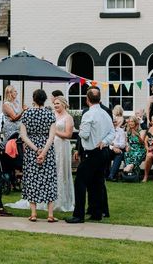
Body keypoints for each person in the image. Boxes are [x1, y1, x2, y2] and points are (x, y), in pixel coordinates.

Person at [66, 88, 115, 224]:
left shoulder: (88, 115)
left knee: (80, 182)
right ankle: (96, 213)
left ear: (87, 100)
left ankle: (79, 215)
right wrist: (104, 141)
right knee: (97, 183)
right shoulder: (105, 114)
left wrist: (81, 129)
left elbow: (84, 134)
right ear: (99, 99)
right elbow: (112, 132)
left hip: (91, 153)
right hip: (103, 152)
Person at [20, 89, 58, 222]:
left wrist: (36, 150)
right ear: (45, 99)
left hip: (32, 149)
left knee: (32, 179)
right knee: (49, 179)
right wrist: (44, 151)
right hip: (47, 149)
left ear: (34, 99)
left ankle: (34, 213)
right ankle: (50, 214)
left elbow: (23, 136)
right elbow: (52, 136)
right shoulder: (50, 114)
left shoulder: (27, 114)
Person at [52, 96, 74, 212]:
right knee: (52, 170)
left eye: (57, 104)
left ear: (64, 104)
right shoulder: (52, 114)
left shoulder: (68, 117)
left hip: (62, 146)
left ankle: (62, 200)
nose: (55, 106)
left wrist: (54, 131)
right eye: (54, 104)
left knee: (62, 170)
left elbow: (68, 135)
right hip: (52, 145)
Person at [108, 116, 127, 181]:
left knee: (120, 154)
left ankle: (111, 175)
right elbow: (105, 143)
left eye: (115, 122)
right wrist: (113, 147)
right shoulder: (106, 131)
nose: (114, 123)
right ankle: (105, 175)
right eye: (113, 122)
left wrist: (114, 145)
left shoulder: (121, 131)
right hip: (109, 150)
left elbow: (123, 145)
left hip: (119, 150)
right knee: (104, 153)